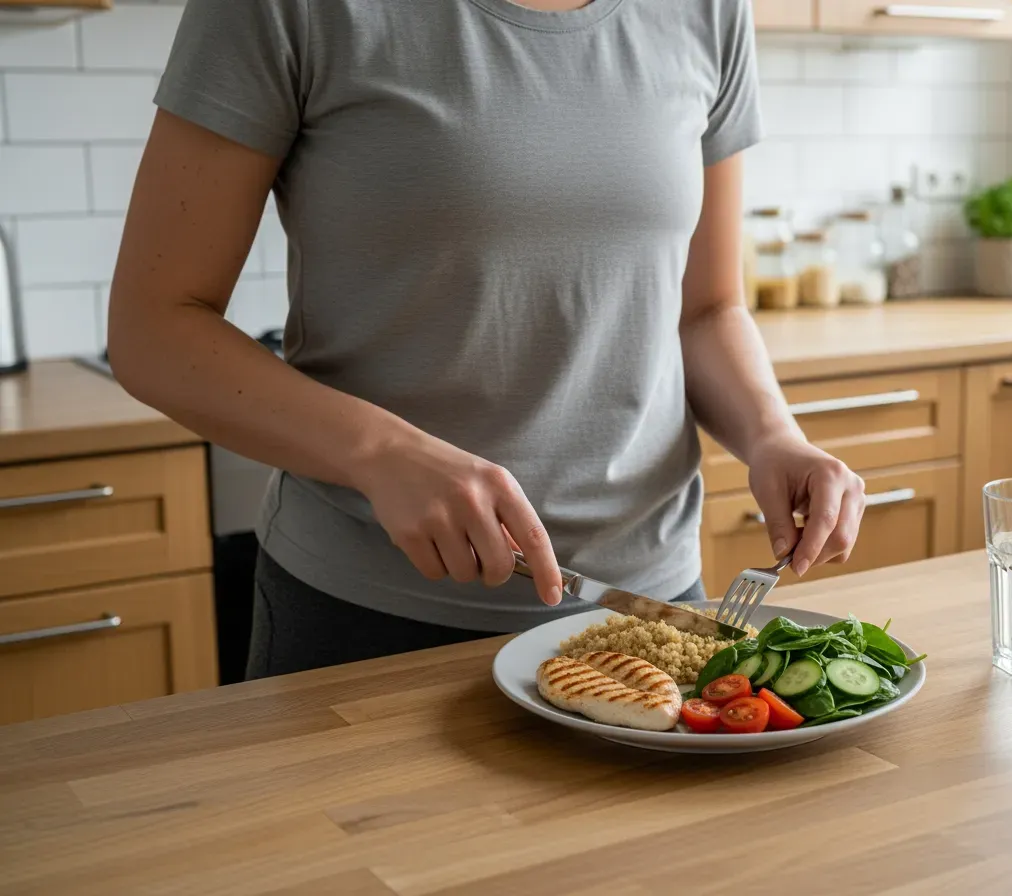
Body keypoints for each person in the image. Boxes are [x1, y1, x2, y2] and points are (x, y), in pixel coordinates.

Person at [108, 0, 867, 679]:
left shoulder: (706, 10)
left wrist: (773, 437)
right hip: (373, 622)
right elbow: (155, 326)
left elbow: (705, 310)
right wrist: (379, 453)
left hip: (649, 614)